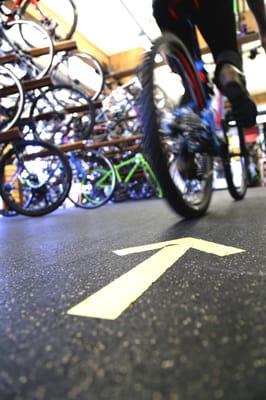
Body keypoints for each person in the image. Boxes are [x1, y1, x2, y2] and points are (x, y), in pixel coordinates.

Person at [152, 0, 266, 128]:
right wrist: (263, 27)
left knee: (189, 75)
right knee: (225, 52)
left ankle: (191, 89)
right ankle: (228, 72)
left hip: (166, 6)